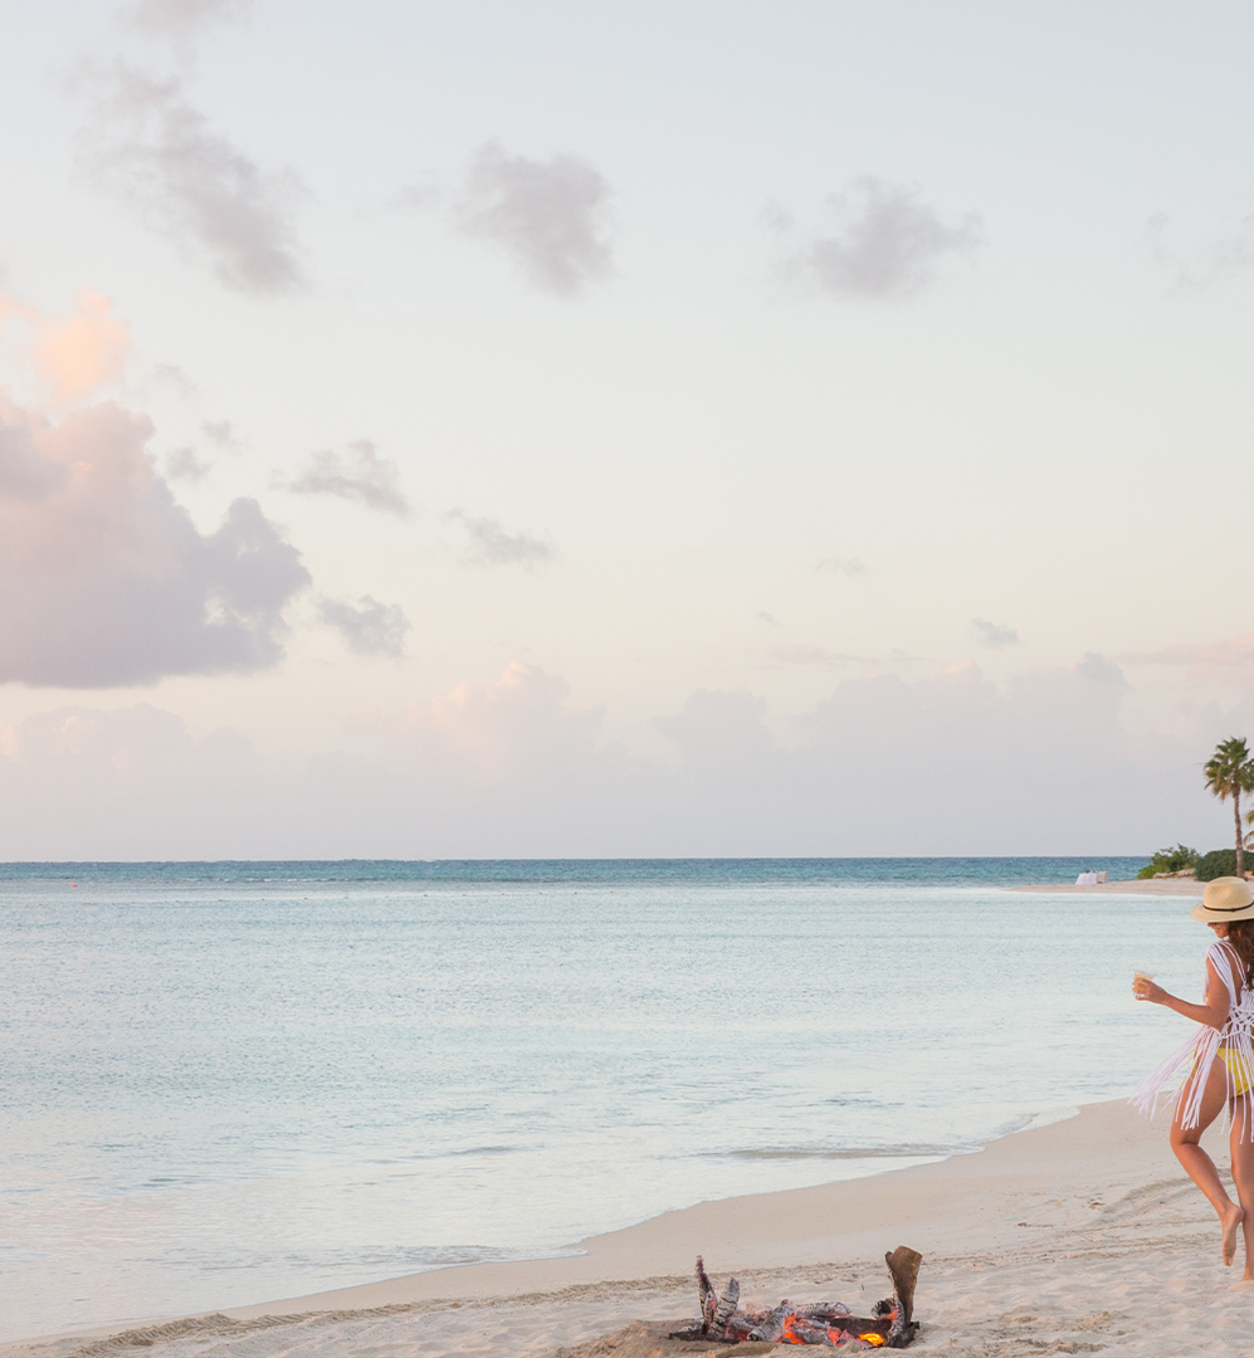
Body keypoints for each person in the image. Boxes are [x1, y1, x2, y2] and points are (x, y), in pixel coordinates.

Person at [1131, 877, 1254, 1284]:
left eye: (1216, 919)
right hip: (1252, 1060)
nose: (1210, 926)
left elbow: (1216, 1018)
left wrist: (1162, 997)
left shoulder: (1220, 952)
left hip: (1223, 1056)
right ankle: (1252, 1272)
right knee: (1247, 1174)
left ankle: (1225, 1210)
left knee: (1183, 1140)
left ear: (1231, 920)